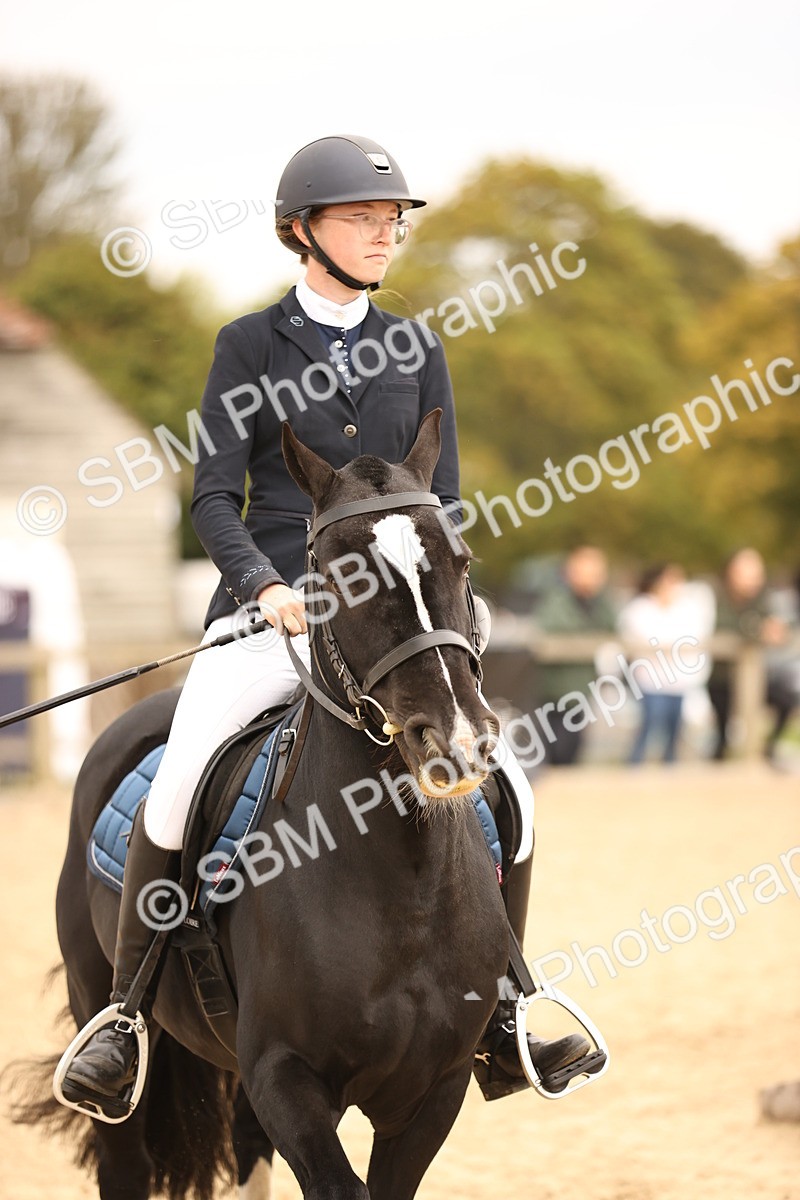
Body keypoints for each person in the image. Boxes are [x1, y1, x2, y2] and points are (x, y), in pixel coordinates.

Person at [61, 135, 590, 1113]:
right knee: (175, 782)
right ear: (302, 231)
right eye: (363, 217)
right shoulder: (249, 346)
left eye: (391, 219)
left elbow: (445, 501)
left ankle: (507, 1007)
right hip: (274, 616)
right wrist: (263, 585)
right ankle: (128, 1017)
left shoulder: (418, 346)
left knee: (508, 783)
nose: (385, 232)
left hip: (391, 625)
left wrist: (446, 599)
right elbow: (214, 496)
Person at [617, 563, 714, 764]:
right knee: (648, 727)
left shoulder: (686, 609)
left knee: (674, 732)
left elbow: (693, 638)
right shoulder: (641, 608)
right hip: (649, 681)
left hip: (677, 681)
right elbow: (645, 639)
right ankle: (634, 767)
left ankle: (670, 769)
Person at [532, 545, 618, 764]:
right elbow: (549, 631)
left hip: (584, 688)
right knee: (555, 748)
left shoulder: (602, 604)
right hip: (556, 690)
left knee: (574, 748)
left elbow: (613, 632)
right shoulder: (557, 601)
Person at [707, 548, 788, 760]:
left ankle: (766, 749)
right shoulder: (717, 596)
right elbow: (725, 628)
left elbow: (777, 627)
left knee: (786, 699)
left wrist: (776, 631)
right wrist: (757, 630)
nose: (754, 580)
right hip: (721, 677)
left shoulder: (763, 598)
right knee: (722, 734)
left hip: (758, 676)